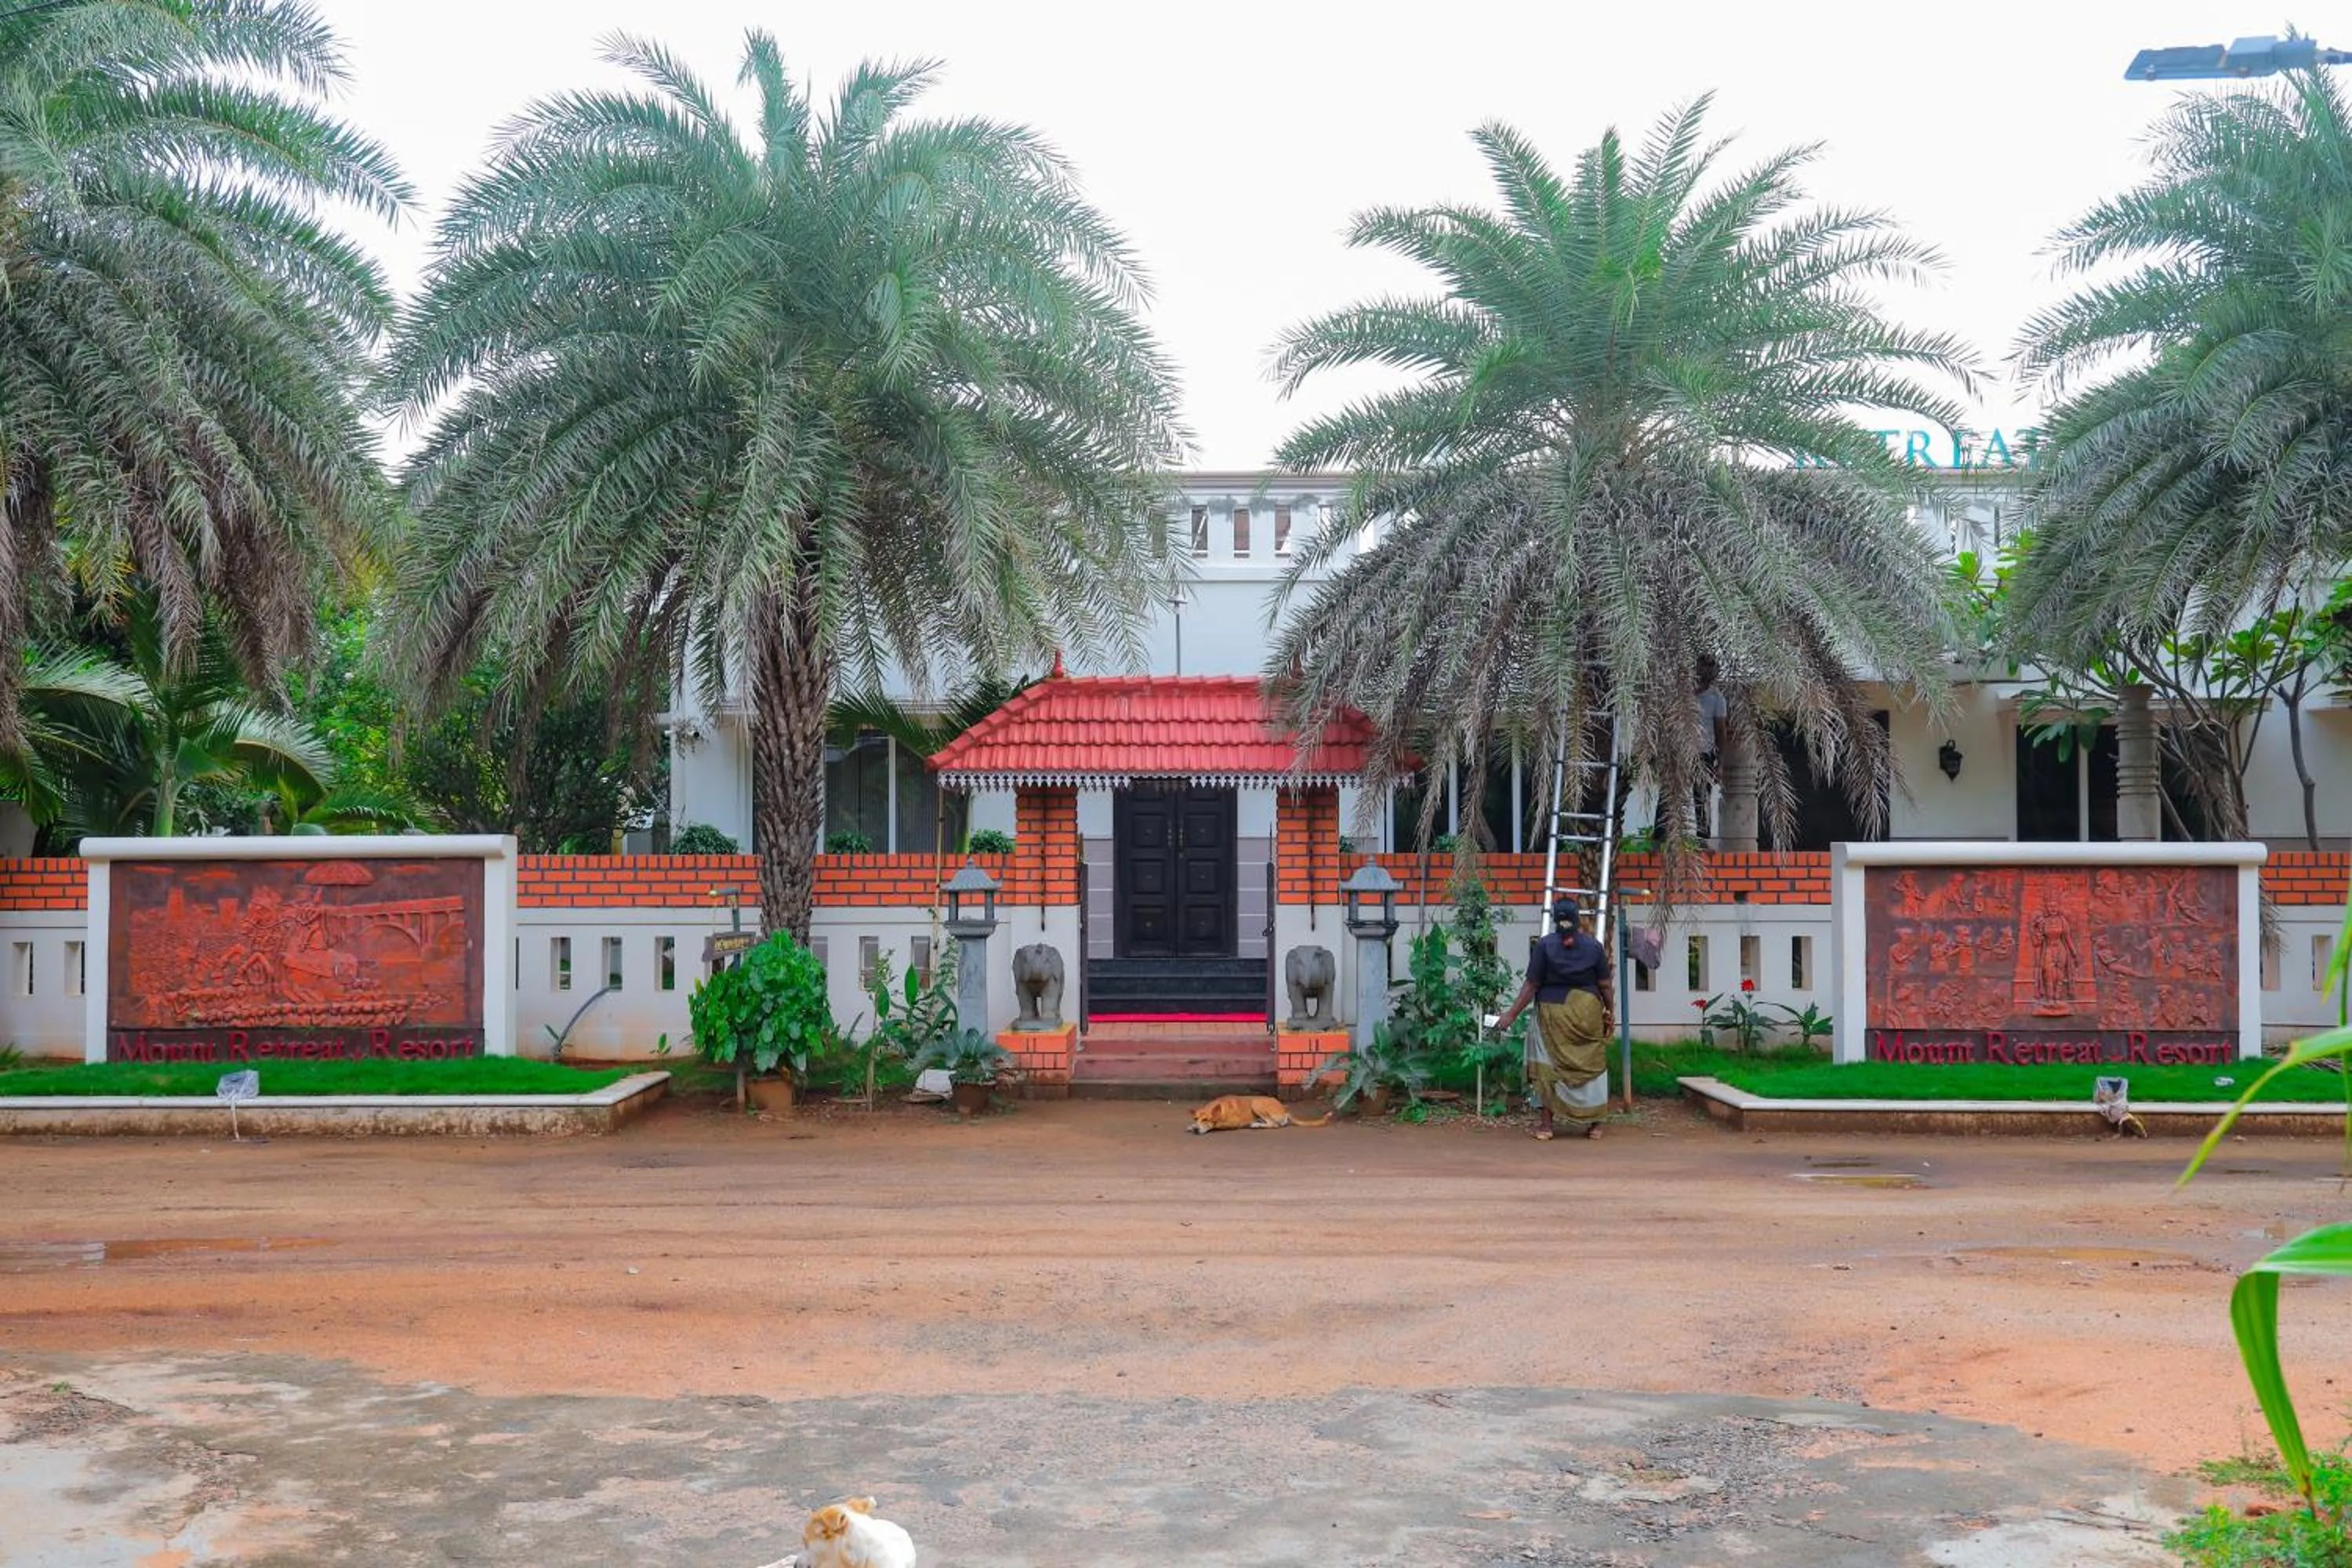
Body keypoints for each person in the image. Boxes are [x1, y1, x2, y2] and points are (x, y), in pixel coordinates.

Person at [1494, 897, 1613, 1141]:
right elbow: (1604, 985)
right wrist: (1609, 1012)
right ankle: (1595, 1125)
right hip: (1586, 1014)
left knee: (1546, 1066)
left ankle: (1547, 1126)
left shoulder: (1545, 946)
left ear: (1554, 920)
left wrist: (1511, 1014)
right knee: (1592, 1066)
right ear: (1579, 920)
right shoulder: (1594, 946)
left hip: (1552, 1015)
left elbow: (1532, 985)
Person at [1693, 654, 1727, 840]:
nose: (1707, 669)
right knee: (1669, 794)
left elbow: (1721, 732)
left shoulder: (1717, 699)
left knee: (1701, 794)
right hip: (1680, 751)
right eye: (1704, 665)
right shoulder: (1683, 693)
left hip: (1703, 752)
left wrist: (1720, 763)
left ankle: (1702, 837)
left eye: (1711, 666)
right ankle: (1661, 836)